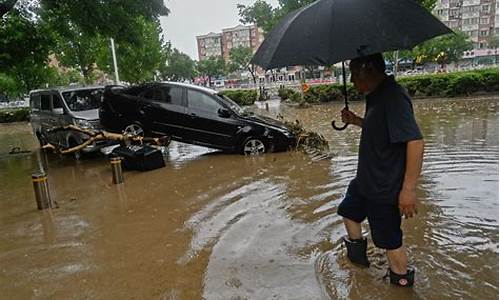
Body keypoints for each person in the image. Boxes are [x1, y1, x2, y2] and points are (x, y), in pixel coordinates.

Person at [337, 53, 424, 287]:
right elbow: (382, 129)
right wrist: (356, 121)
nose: (353, 81)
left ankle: (401, 283)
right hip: (365, 180)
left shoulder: (394, 97)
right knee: (348, 212)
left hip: (384, 186)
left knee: (389, 241)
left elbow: (415, 141)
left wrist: (408, 189)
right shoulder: (375, 95)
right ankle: (360, 267)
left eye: (354, 73)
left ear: (369, 69)